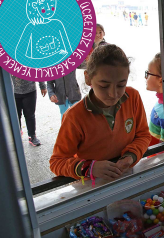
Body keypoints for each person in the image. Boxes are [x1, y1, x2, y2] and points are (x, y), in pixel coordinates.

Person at [50, 44, 152, 181]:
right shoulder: (74, 117)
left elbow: (143, 135)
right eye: (104, 86)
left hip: (127, 177)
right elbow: (57, 162)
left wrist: (131, 155)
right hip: (92, 187)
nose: (113, 94)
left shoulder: (132, 97)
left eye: (121, 85)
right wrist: (90, 168)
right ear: (88, 78)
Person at [11, 76, 47, 146]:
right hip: (13, 92)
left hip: (30, 90)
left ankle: (32, 136)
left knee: (30, 115)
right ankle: (17, 134)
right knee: (16, 115)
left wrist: (43, 86)